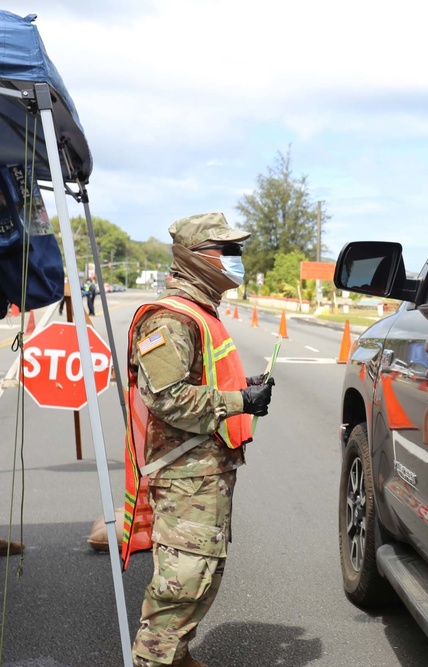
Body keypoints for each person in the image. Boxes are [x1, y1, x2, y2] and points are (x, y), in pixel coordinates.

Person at [122, 212, 275, 667]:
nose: (236, 259)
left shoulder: (199, 312)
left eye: (237, 251)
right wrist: (238, 402)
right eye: (227, 250)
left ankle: (178, 654)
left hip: (205, 469)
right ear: (195, 257)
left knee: (204, 568)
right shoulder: (170, 318)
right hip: (187, 472)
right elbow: (167, 398)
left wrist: (243, 386)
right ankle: (155, 660)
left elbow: (199, 376)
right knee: (184, 578)